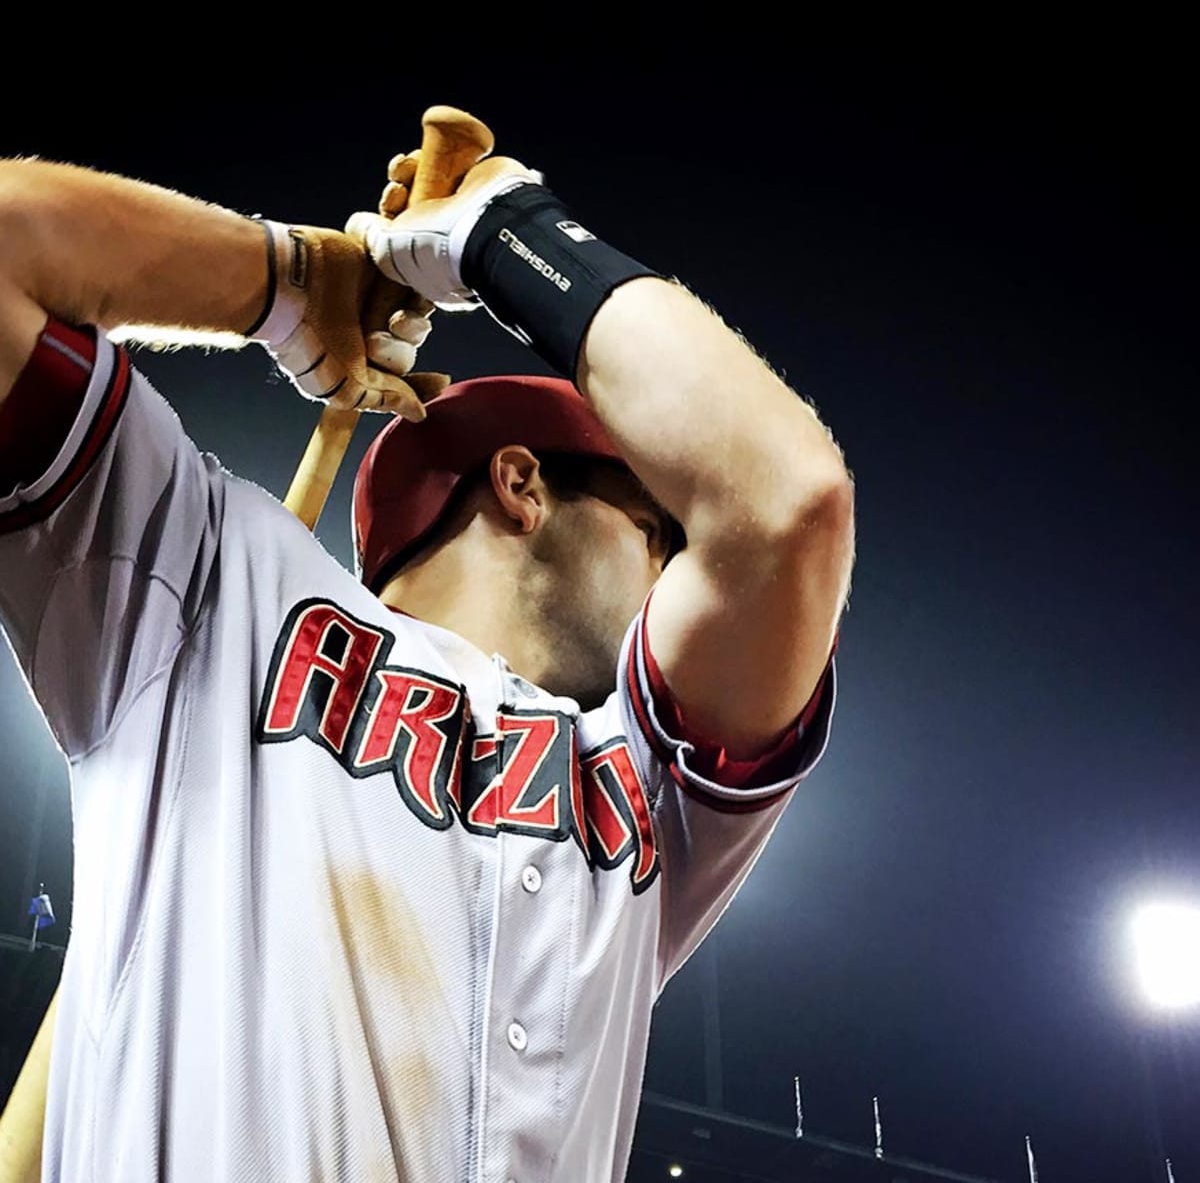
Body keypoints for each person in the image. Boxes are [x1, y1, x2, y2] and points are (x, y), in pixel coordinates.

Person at [0, 118, 855, 1182]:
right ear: (524, 485)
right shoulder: (217, 585)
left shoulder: (641, 780)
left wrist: (506, 234)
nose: (674, 579)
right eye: (654, 535)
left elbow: (789, 502)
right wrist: (288, 282)